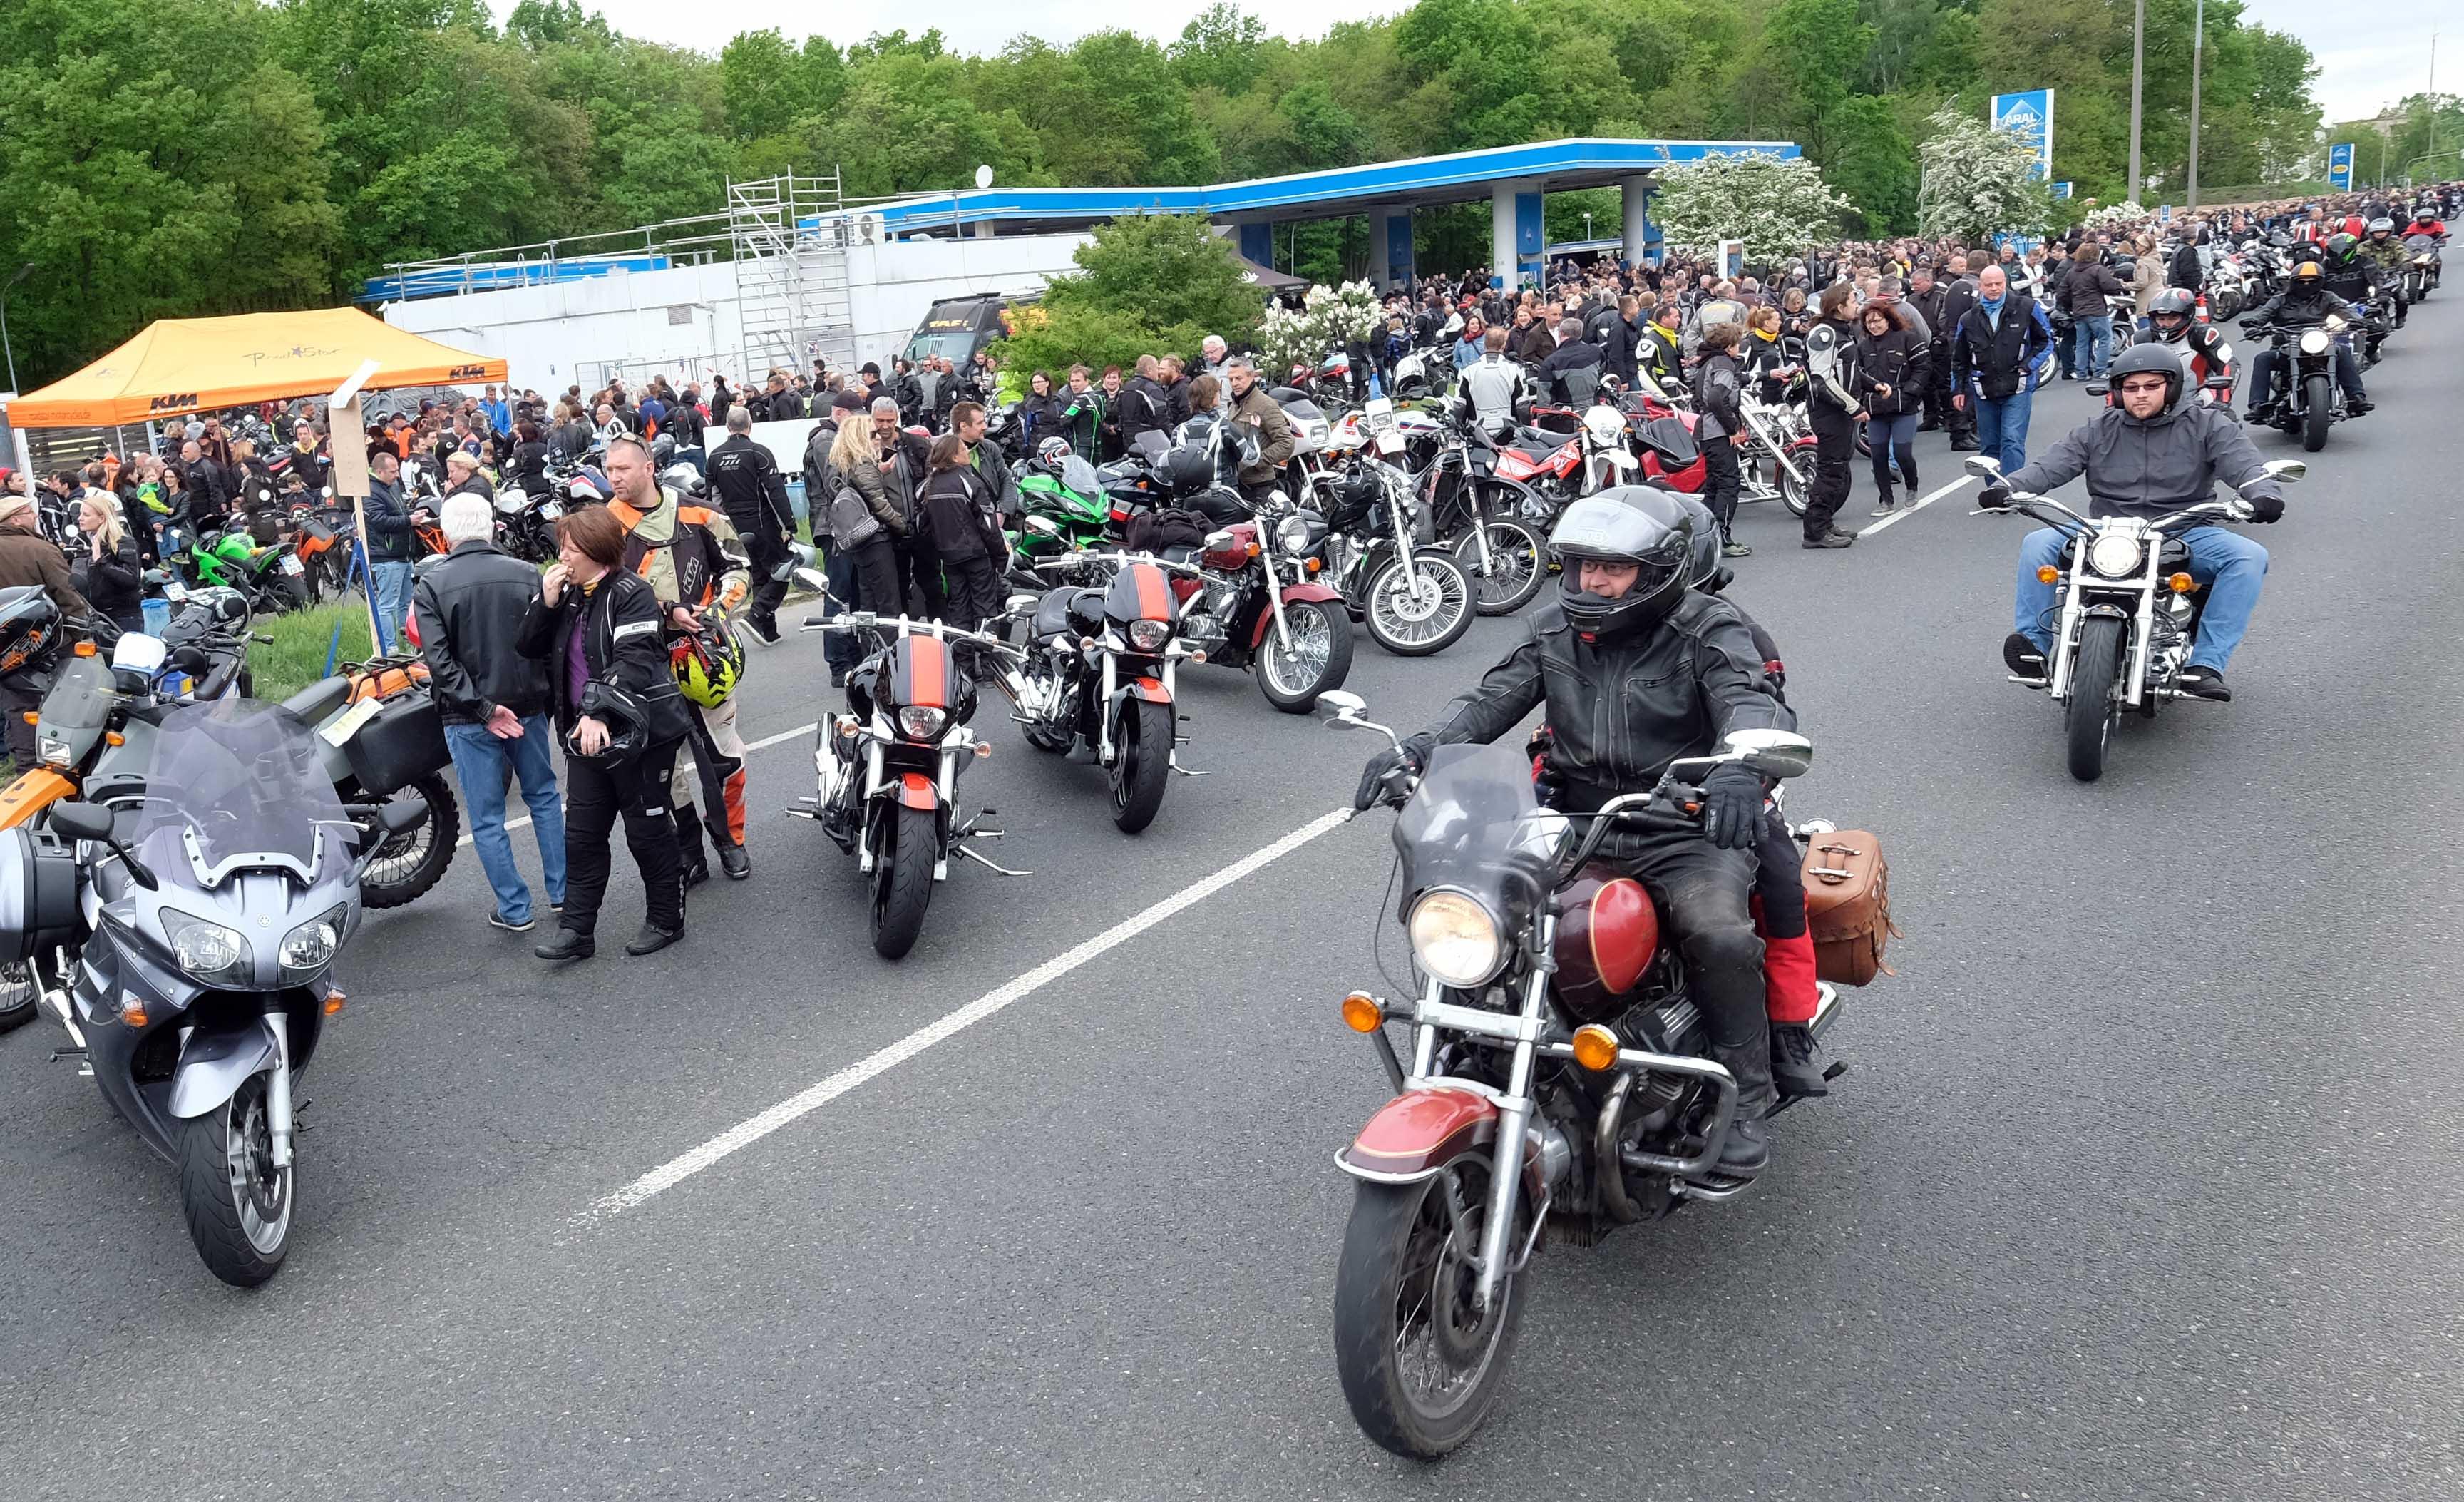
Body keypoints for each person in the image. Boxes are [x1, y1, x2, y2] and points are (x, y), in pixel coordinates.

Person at [1349, 490, 1790, 1177]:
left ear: (1658, 573)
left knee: (1718, 934)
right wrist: (1421, 747)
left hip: (1679, 825)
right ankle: (1482, 1056)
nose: (1593, 582)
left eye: (1613, 569)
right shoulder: (1553, 629)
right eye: (1584, 566)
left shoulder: (1708, 628)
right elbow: (1490, 699)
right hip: (1571, 821)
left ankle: (1747, 1099)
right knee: (1480, 910)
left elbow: (1750, 699)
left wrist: (1740, 766)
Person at [1989, 343, 2284, 703]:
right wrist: (2008, 488)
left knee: (2248, 556)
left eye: (2151, 386)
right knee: (2037, 543)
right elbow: (2049, 466)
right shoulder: (2098, 429)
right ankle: (2034, 647)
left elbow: (2246, 465)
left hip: (2184, 529)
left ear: (2171, 388)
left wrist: (2263, 493)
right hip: (2107, 530)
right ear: (2118, 392)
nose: (2140, 394)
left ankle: (2206, 664)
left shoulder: (2209, 426)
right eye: (2131, 387)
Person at [520, 505, 691, 961]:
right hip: (586, 737)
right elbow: (528, 647)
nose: (562, 557)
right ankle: (577, 930)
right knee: (582, 835)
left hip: (641, 735)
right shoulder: (570, 596)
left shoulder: (632, 593)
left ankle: (666, 919)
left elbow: (634, 659)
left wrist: (596, 711)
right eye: (561, 548)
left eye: (570, 549)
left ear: (596, 550)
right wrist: (545, 603)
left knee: (646, 831)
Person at [602, 436, 754, 884]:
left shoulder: (700, 513)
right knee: (661, 768)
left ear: (649, 468)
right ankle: (689, 851)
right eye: (609, 470)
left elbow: (739, 568)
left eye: (623, 469)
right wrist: (667, 612)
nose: (614, 478)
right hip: (642, 663)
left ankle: (731, 840)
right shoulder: (604, 525)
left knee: (725, 756)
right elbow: (601, 592)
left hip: (704, 656)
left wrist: (716, 612)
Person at [414, 492, 568, 933]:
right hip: (527, 706)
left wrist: (483, 708)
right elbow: (550, 645)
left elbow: (440, 663)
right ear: (491, 525)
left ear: (447, 534)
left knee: (487, 818)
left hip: (468, 715)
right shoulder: (527, 574)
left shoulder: (431, 585)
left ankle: (515, 909)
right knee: (543, 797)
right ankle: (564, 892)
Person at [0, 491, 87, 767]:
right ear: (15, 520)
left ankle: (28, 766)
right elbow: (68, 595)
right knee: (63, 701)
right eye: (29, 513)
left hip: (6, 647)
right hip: (49, 641)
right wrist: (80, 635)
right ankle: (66, 762)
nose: (35, 516)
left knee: (18, 707)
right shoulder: (41, 550)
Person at [1949, 265, 2055, 476]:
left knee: (2012, 439)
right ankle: (1995, 489)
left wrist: (2027, 366)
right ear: (1980, 286)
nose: (1994, 288)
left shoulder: (2027, 307)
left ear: (2005, 283)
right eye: (1989, 285)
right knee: (1989, 446)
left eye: (1998, 284)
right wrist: (1958, 390)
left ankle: (2012, 487)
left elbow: (2046, 341)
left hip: (2018, 386)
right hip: (1984, 389)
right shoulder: (1968, 319)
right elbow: (1960, 358)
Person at [704, 407, 795, 645]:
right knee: (781, 570)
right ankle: (757, 613)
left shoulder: (714, 457)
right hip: (762, 522)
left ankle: (767, 630)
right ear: (750, 425)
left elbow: (712, 498)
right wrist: (789, 524)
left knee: (758, 574)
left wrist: (716, 530)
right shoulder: (759, 453)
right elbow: (775, 492)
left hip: (733, 526)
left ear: (727, 427)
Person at [2239, 258, 2369, 419]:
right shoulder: (2280, 299)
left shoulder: (2328, 297)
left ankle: (2357, 398)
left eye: (2312, 281)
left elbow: (2344, 311)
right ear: (2293, 282)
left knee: (2343, 352)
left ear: (2320, 282)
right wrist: (2254, 326)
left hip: (2320, 343)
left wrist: (2357, 321)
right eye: (2302, 281)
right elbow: (2263, 315)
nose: (2307, 285)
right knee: (2262, 359)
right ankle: (2257, 405)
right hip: (2286, 345)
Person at [915, 433, 1002, 630]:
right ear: (954, 457)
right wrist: (1001, 556)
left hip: (949, 559)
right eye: (964, 449)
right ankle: (987, 648)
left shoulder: (925, 487)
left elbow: (922, 528)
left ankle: (961, 650)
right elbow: (989, 526)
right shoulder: (970, 483)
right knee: (985, 610)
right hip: (977, 556)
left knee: (959, 608)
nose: (967, 452)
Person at [1800, 282, 1862, 549]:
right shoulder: (1824, 333)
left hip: (1840, 412)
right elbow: (1821, 381)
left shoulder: (1842, 331)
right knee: (1830, 471)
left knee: (1839, 469)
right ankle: (1815, 532)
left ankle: (1825, 522)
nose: (1858, 305)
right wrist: (1853, 407)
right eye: (1854, 301)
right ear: (1839, 306)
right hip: (1829, 413)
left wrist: (1873, 385)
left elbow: (1849, 371)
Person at [1854, 300, 1926, 517]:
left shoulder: (1908, 338)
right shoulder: (1862, 346)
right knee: (1878, 456)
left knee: (1903, 454)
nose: (1874, 326)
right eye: (1869, 322)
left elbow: (1923, 368)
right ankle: (1885, 499)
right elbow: (1857, 376)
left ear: (1888, 320)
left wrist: (1909, 393)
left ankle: (1912, 488)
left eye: (1878, 321)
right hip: (1875, 410)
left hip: (1903, 408)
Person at [1690, 322, 1750, 557]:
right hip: (1717, 431)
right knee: (1729, 484)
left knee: (1714, 486)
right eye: (1737, 343)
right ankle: (1723, 538)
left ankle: (1705, 536)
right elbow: (1717, 397)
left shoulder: (1708, 362)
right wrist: (1732, 428)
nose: (1739, 347)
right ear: (1729, 346)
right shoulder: (1723, 363)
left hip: (1707, 430)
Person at [2141, 288, 2238, 405]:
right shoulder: (2141, 339)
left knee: (2225, 416)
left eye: (2173, 318)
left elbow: (2229, 365)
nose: (2165, 324)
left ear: (2187, 316)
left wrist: (2221, 402)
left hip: (2197, 399)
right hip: (2151, 401)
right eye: (2161, 319)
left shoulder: (2203, 334)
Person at [361, 449, 417, 649]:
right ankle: (389, 647)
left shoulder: (392, 486)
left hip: (404, 555)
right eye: (393, 471)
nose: (397, 475)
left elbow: (398, 512)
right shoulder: (370, 491)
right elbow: (379, 521)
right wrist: (409, 520)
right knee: (387, 605)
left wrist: (412, 514)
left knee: (407, 602)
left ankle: (410, 642)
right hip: (387, 557)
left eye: (397, 470)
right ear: (380, 471)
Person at [1223, 356, 1295, 506]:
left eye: (1239, 378)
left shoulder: (1265, 404)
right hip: (1236, 484)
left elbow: (1287, 443)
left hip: (1258, 486)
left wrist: (1257, 461)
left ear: (1251, 376)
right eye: (1231, 379)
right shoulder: (1234, 404)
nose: (1234, 383)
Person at [68, 492, 143, 635]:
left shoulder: (123, 541)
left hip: (123, 616)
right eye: (80, 514)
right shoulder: (89, 541)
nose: (80, 518)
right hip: (99, 616)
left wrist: (101, 562)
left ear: (102, 518)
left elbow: (132, 579)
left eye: (86, 515)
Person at [1536, 317, 1603, 406]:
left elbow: (1544, 400)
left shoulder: (1552, 362)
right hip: (1594, 408)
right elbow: (1602, 374)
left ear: (1561, 333)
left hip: (1567, 412)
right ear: (1580, 333)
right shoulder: (1596, 352)